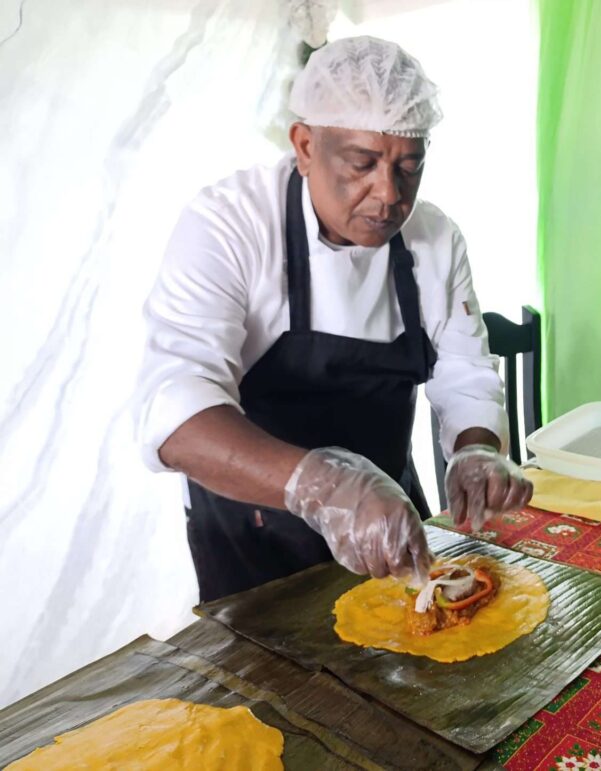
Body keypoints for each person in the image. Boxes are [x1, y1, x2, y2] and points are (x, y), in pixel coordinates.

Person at [134, 36, 532, 602]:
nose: (387, 195)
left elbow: (464, 368)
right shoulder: (229, 224)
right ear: (304, 145)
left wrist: (476, 448)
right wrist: (325, 487)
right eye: (362, 164)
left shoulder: (434, 238)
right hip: (255, 541)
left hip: (392, 526)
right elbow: (175, 412)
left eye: (409, 168)